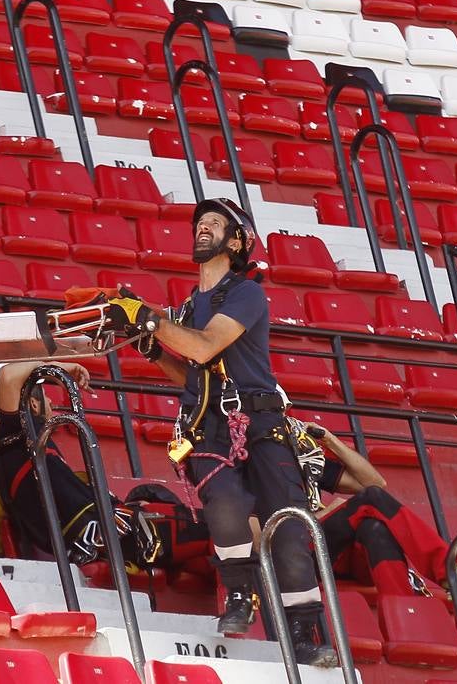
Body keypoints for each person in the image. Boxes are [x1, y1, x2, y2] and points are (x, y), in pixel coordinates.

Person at [105, 198, 338, 667]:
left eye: (214, 224)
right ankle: (240, 593)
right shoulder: (189, 306)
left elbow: (208, 345)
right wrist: (154, 348)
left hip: (263, 422)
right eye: (200, 223)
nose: (202, 228)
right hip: (208, 424)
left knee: (289, 529)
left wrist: (150, 319)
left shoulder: (246, 293)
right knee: (225, 504)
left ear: (236, 242)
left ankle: (305, 631)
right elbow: (192, 371)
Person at [0, 360, 163, 570]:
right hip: (92, 543)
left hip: (87, 543)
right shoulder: (17, 434)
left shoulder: (16, 445)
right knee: (189, 525)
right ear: (32, 403)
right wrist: (58, 367)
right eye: (43, 393)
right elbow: (9, 377)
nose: (50, 400)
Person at [290, 417, 457, 597]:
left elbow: (374, 483)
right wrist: (325, 513)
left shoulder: (302, 460)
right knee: (369, 499)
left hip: (337, 552)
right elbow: (261, 533)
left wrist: (330, 440)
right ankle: (449, 569)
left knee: (375, 528)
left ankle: (407, 616)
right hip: (296, 552)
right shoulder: (260, 466)